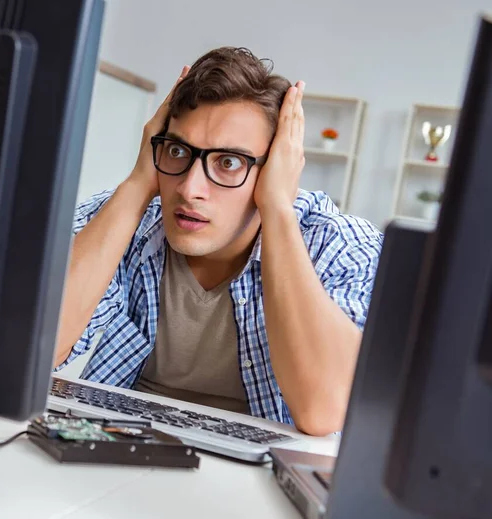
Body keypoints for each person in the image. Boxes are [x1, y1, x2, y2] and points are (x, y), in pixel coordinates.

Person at [53, 47, 383, 436]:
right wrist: (139, 182)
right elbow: (32, 349)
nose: (190, 189)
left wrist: (277, 207)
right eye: (177, 151)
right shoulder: (128, 217)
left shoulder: (341, 245)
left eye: (228, 162)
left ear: (277, 166)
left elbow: (324, 411)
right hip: (120, 451)